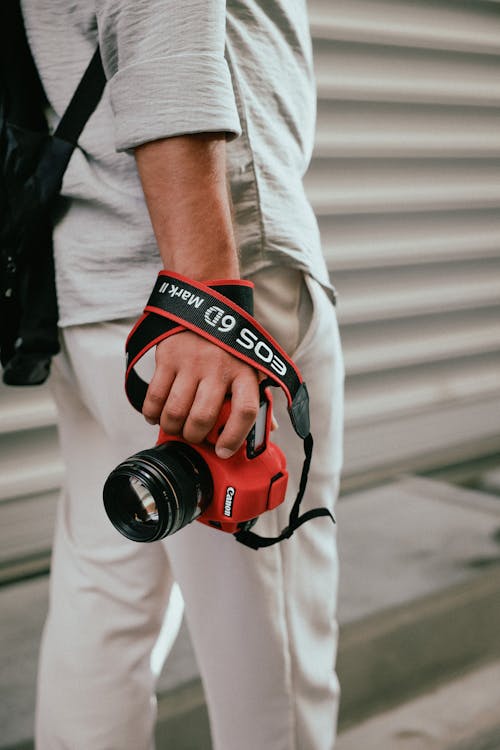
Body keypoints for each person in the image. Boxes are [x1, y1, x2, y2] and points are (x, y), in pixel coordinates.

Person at [22, 1, 344, 748]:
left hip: (94, 294)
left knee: (106, 602)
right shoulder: (208, 301)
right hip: (206, 293)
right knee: (272, 652)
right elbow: (160, 27)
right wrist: (205, 297)